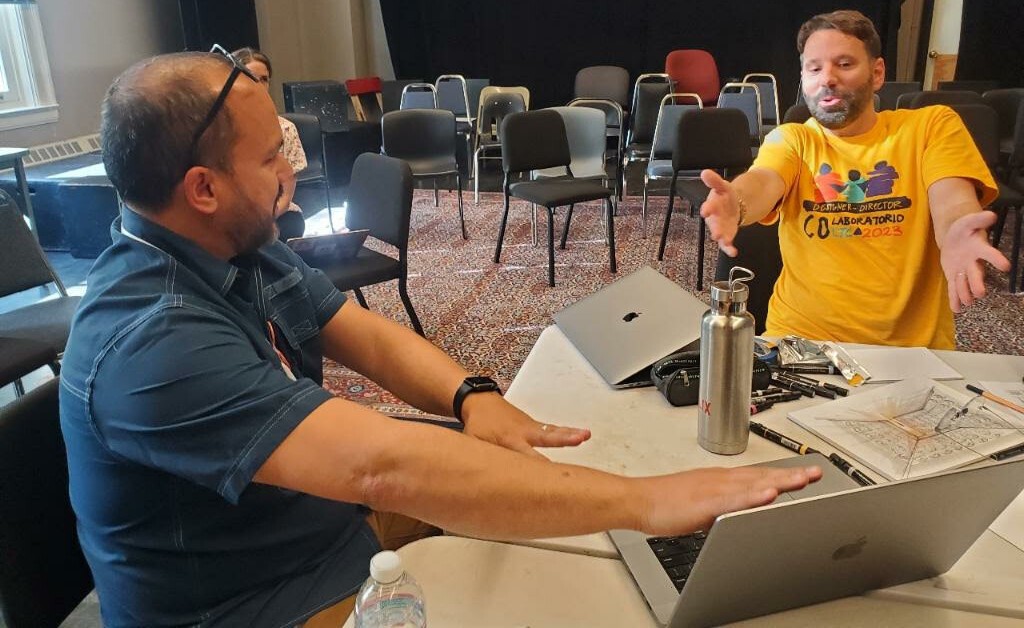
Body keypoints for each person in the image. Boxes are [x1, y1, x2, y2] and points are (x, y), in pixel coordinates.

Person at [59, 50, 820, 628]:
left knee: (546, 513)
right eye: (268, 160)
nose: (289, 175)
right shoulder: (149, 343)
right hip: (261, 604)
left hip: (317, 535)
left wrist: (471, 397)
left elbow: (368, 338)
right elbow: (380, 467)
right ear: (202, 188)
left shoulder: (231, 245)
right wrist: (642, 504)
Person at [700, 9, 1008, 349]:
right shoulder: (793, 140)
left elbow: (953, 200)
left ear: (876, 73)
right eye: (814, 68)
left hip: (911, 350)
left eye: (844, 64)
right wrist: (738, 202)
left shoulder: (931, 127)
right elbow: (763, 181)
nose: (827, 78)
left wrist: (955, 231)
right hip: (800, 341)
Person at [233, 46, 307, 241]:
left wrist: (265, 221)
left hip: (276, 211)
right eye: (250, 76)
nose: (258, 83)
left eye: (264, 79)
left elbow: (287, 191)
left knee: (290, 224)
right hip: (231, 211)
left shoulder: (286, 129)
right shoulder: (219, 129)